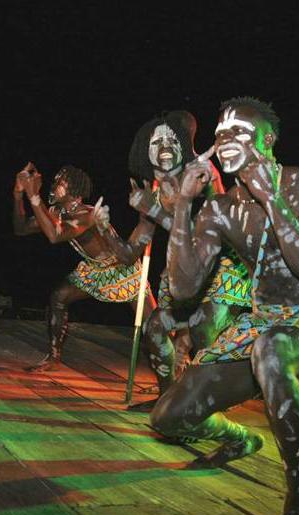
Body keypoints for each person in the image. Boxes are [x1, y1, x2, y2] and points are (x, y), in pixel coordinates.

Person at [151, 98, 299, 515]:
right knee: (169, 417)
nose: (226, 139)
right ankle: (241, 439)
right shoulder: (221, 209)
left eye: (239, 132)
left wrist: (272, 197)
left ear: (268, 141)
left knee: (272, 349)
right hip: (262, 322)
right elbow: (183, 288)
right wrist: (184, 203)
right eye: (220, 133)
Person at [101, 111, 251, 405]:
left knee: (203, 328)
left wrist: (155, 211)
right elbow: (129, 254)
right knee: (154, 327)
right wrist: (104, 229)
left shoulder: (203, 174)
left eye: (172, 138)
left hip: (222, 268)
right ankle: (168, 399)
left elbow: (213, 233)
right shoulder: (155, 191)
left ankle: (209, 404)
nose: (165, 146)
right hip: (184, 272)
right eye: (156, 141)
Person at [12, 163, 155, 372]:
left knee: (154, 328)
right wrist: (18, 194)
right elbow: (21, 229)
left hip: (122, 271)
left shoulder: (87, 215)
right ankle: (54, 357)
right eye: (55, 181)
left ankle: (177, 363)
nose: (54, 185)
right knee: (59, 296)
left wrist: (34, 197)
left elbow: (55, 236)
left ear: (74, 191)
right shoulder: (56, 212)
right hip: (95, 271)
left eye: (60, 182)